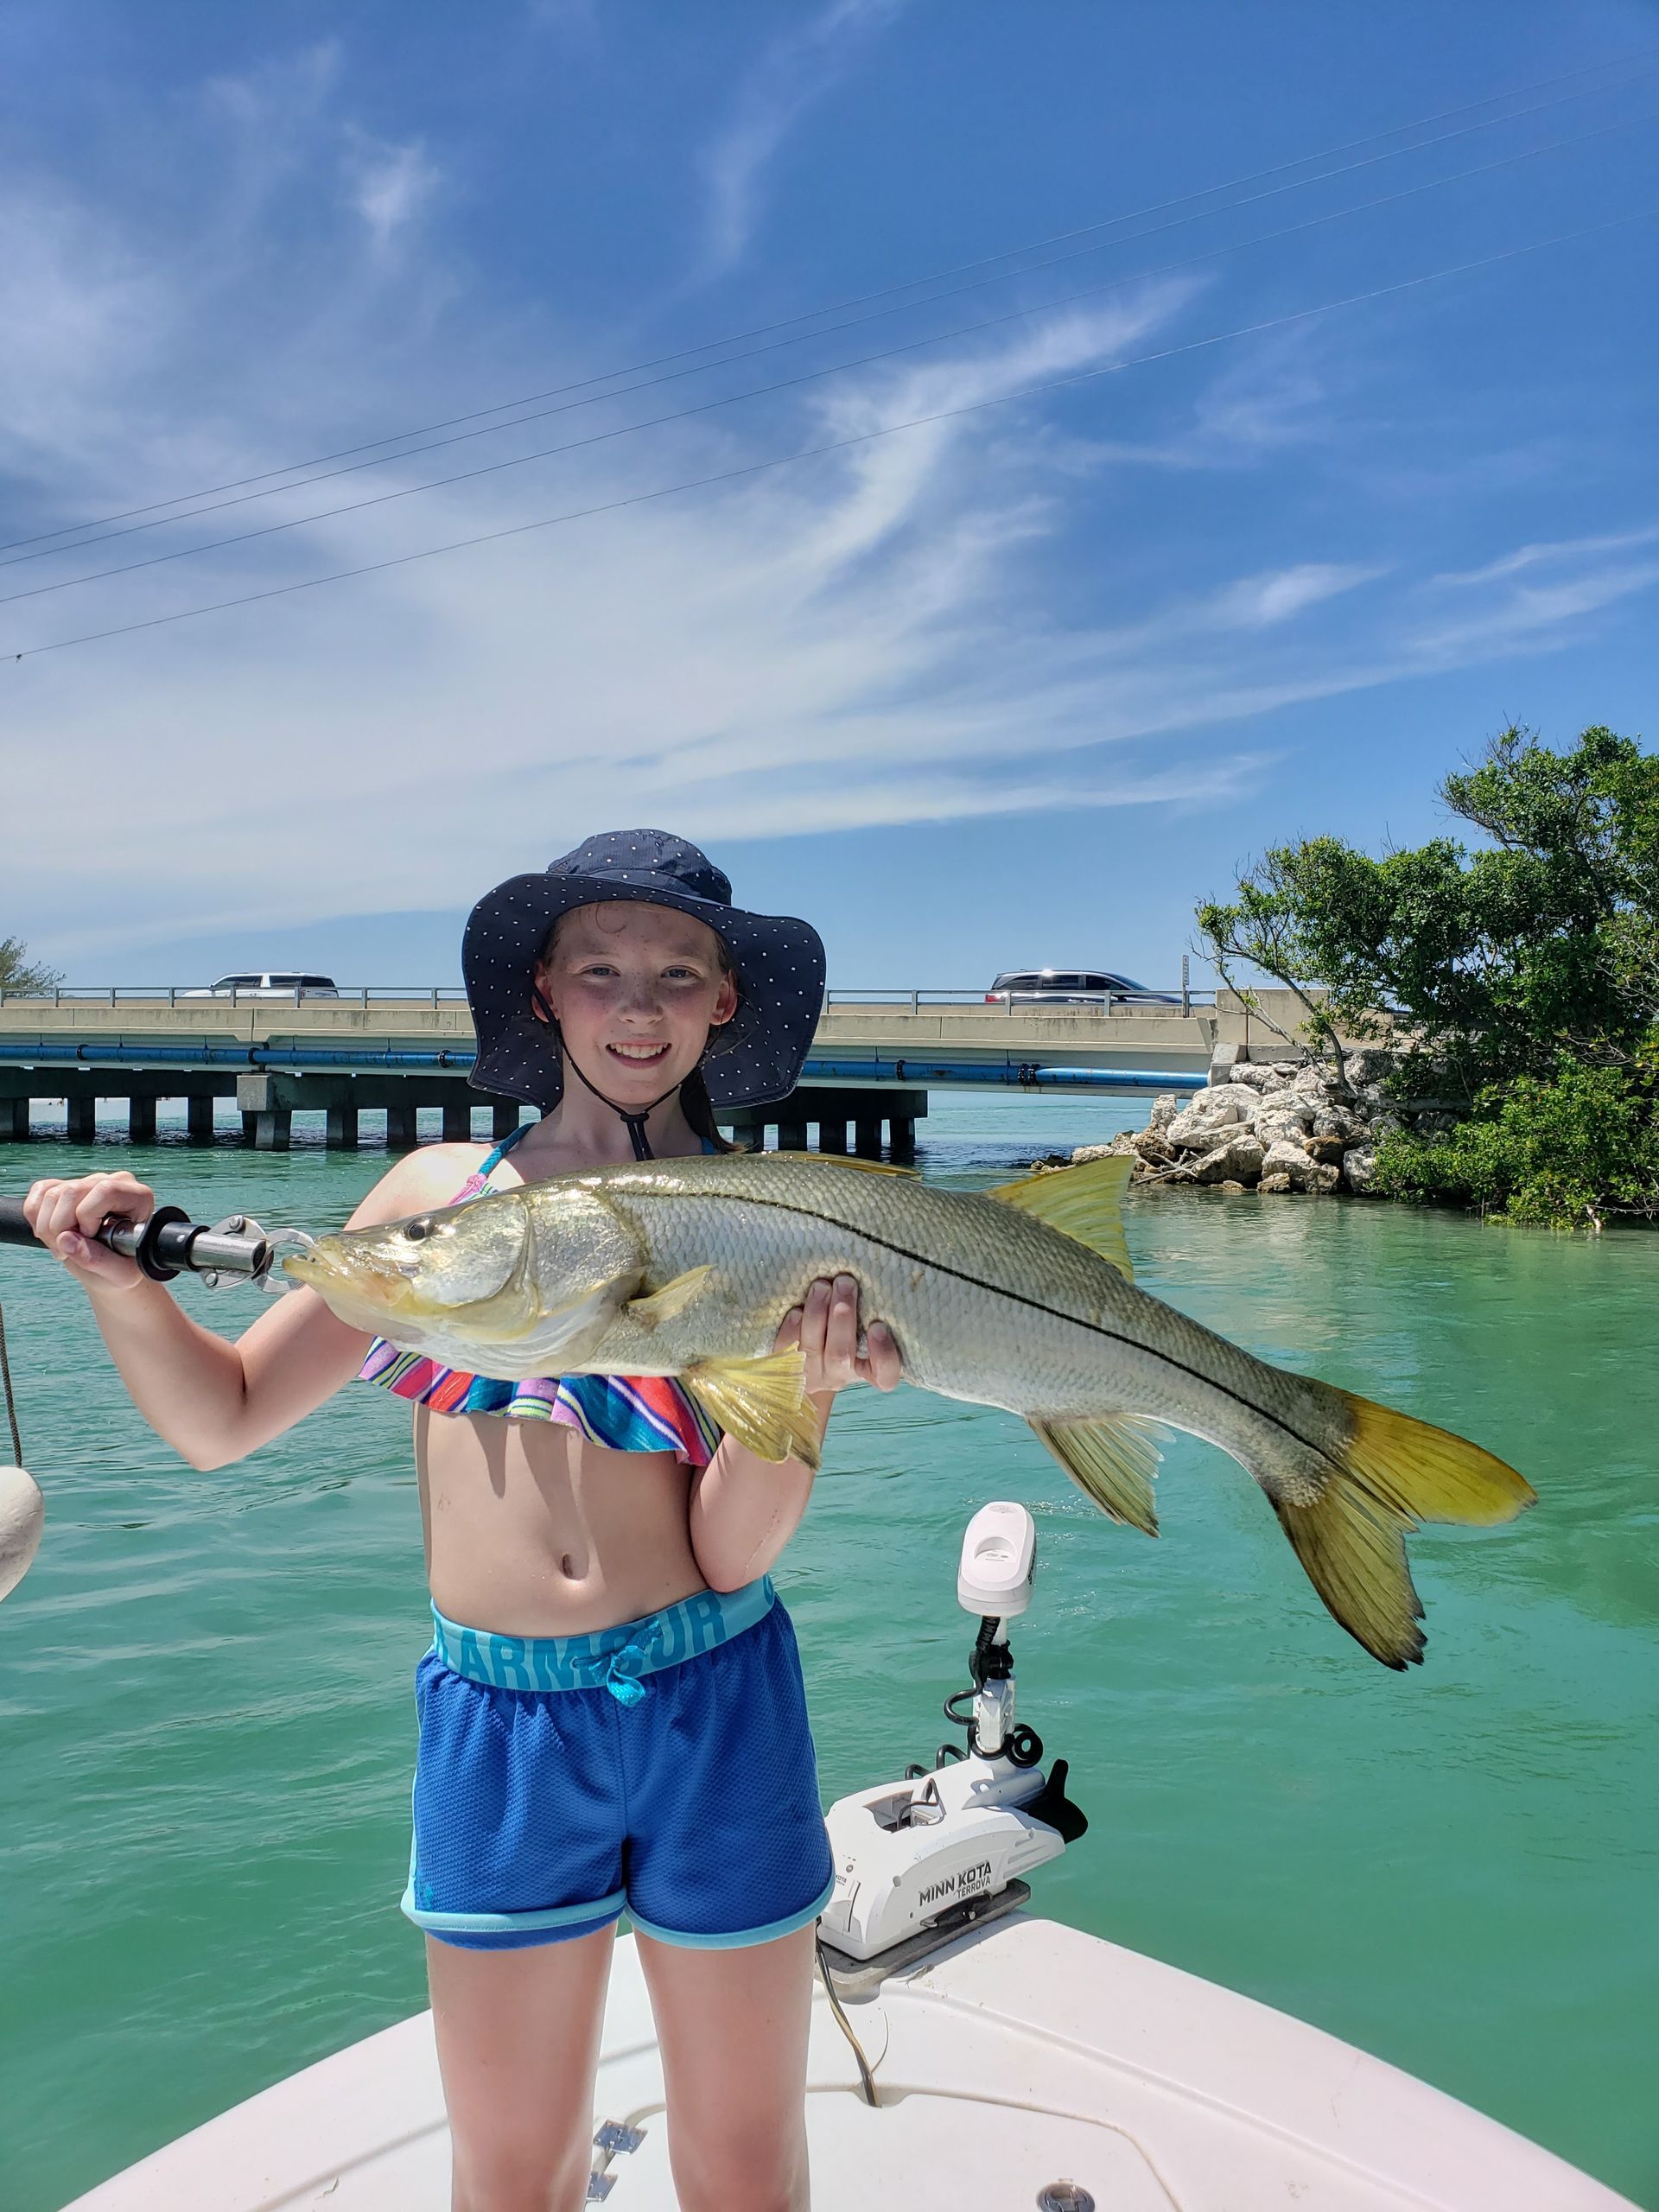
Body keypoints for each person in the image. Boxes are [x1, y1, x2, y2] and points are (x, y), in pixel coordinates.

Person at [26, 830, 901, 2212]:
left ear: (725, 1002)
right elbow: (224, 1417)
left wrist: (812, 1389)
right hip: (501, 1724)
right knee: (511, 2170)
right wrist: (122, 1284)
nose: (638, 1004)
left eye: (678, 975)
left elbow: (729, 1553)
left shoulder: (766, 1221)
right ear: (543, 990)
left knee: (743, 2162)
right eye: (601, 969)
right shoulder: (437, 1203)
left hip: (716, 1698)